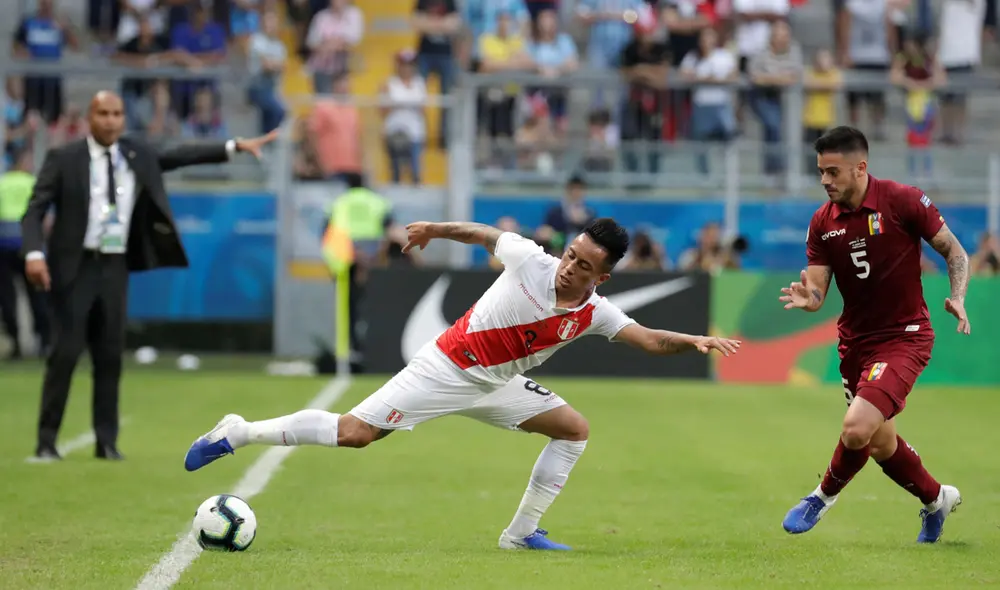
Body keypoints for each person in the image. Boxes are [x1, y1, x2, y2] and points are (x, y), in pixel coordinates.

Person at [184, 218, 741, 550]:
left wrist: (692, 340)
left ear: (603, 276)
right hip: (446, 368)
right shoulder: (530, 260)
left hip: (495, 384)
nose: (570, 267)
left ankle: (521, 534)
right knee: (356, 433)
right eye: (571, 253)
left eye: (585, 264)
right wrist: (433, 230)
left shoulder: (594, 312)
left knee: (573, 429)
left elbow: (645, 338)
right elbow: (484, 235)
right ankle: (240, 431)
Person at [21, 90, 278, 462]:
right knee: (65, 354)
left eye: (116, 113)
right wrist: (33, 253)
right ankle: (47, 442)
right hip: (75, 267)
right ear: (90, 118)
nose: (110, 120)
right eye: (103, 113)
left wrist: (234, 145)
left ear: (123, 118)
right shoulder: (64, 158)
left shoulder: (135, 154)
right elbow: (35, 209)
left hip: (115, 266)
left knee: (110, 356)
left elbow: (180, 155)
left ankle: (106, 442)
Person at [779, 126, 970, 543]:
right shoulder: (822, 222)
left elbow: (954, 250)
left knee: (855, 428)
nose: (825, 180)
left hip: (905, 337)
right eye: (821, 172)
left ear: (860, 167)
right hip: (856, 344)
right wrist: (807, 299)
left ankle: (820, 497)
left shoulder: (902, 200)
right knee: (880, 443)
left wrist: (957, 295)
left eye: (833, 171)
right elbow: (817, 288)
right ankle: (938, 499)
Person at [0, 149, 50, 360]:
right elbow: (46, 219)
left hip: (3, 247)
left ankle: (16, 342)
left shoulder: (2, 184)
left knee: (7, 297)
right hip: (30, 248)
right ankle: (44, 342)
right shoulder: (33, 183)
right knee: (37, 295)